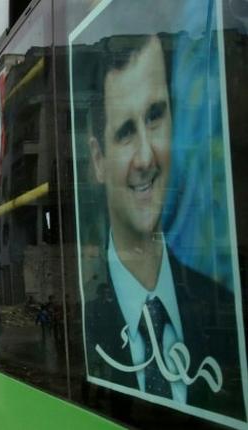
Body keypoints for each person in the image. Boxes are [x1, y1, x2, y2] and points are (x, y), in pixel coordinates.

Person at [81, 34, 242, 416]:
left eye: (155, 116)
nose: (145, 157)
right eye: (124, 132)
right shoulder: (79, 321)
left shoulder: (223, 306)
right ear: (98, 159)